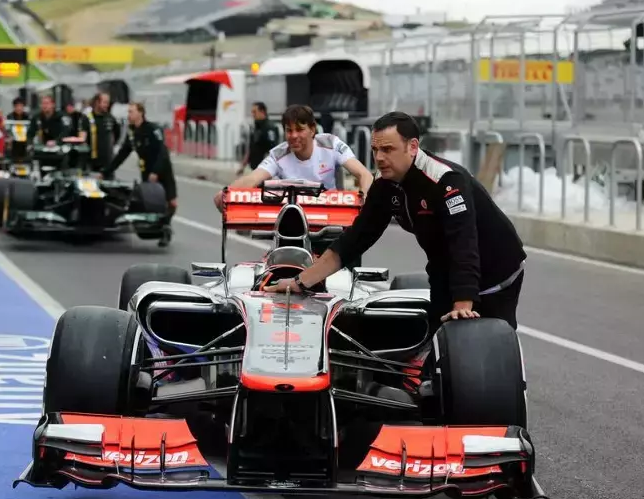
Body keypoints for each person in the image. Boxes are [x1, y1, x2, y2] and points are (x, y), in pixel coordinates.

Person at [266, 111, 528, 331]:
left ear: (412, 147)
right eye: (375, 149)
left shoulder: (446, 181)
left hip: (497, 269)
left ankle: (516, 386)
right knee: (437, 340)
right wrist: (300, 282)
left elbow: (464, 244)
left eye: (388, 149)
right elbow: (353, 241)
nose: (379, 158)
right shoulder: (385, 186)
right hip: (444, 267)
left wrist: (463, 304)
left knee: (483, 342)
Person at [213, 104, 373, 212]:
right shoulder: (278, 154)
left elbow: (364, 174)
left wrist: (364, 199)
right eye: (289, 130)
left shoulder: (331, 144)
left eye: (299, 129)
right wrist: (226, 192)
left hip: (332, 218)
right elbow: (253, 178)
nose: (294, 136)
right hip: (294, 220)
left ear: (312, 129)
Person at [103, 102, 177, 247]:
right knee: (152, 203)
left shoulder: (153, 129)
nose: (128, 115)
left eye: (131, 112)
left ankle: (166, 226)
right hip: (146, 171)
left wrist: (156, 171)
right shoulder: (132, 132)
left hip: (162, 169)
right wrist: (106, 171)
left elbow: (163, 152)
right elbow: (123, 154)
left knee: (172, 202)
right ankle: (162, 230)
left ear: (140, 113)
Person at [83, 92, 121, 173]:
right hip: (91, 162)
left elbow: (117, 134)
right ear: (97, 102)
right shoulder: (87, 118)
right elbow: (82, 139)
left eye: (108, 102)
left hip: (108, 162)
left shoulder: (111, 118)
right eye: (105, 102)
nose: (107, 105)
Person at [237, 102, 278, 174]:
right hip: (255, 168)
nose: (253, 115)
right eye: (252, 112)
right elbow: (251, 148)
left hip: (264, 170)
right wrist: (243, 166)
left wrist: (266, 168)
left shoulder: (269, 128)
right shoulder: (255, 127)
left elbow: (272, 149)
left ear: (262, 112)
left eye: (254, 112)